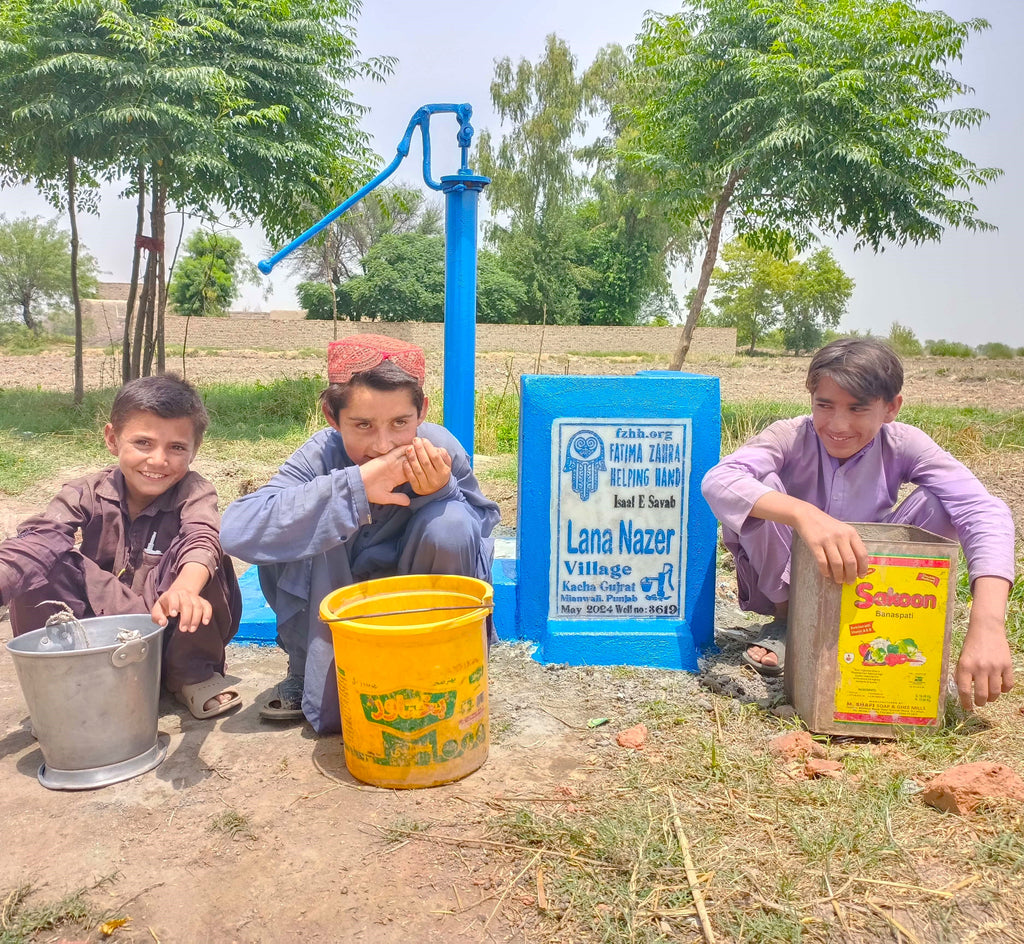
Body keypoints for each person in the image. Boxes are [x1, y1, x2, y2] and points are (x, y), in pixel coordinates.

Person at [702, 337, 1015, 710]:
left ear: (891, 407)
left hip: (867, 585)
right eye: (825, 405)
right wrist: (806, 515)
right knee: (761, 490)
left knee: (942, 504)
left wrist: (989, 624)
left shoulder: (905, 444)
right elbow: (718, 480)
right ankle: (788, 623)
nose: (838, 424)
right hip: (790, 580)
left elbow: (984, 510)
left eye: (857, 409)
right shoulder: (790, 436)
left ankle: (888, 629)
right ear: (811, 400)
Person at [220, 334, 500, 733]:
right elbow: (238, 530)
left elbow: (482, 528)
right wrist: (353, 488)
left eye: (400, 423)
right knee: (297, 518)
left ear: (422, 411)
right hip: (334, 603)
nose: (382, 445)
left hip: (412, 597)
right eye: (363, 425)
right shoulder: (318, 457)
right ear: (333, 417)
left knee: (452, 524)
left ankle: (438, 670)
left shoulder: (439, 451)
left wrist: (440, 492)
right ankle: (307, 670)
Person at [0, 374, 243, 719]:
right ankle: (63, 681)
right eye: (143, 443)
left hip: (172, 625)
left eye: (176, 447)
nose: (158, 460)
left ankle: (190, 674)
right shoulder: (84, 491)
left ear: (194, 450)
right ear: (112, 439)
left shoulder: (195, 490)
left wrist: (186, 589)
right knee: (42, 558)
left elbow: (201, 535)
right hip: (104, 629)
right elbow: (42, 537)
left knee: (207, 559)